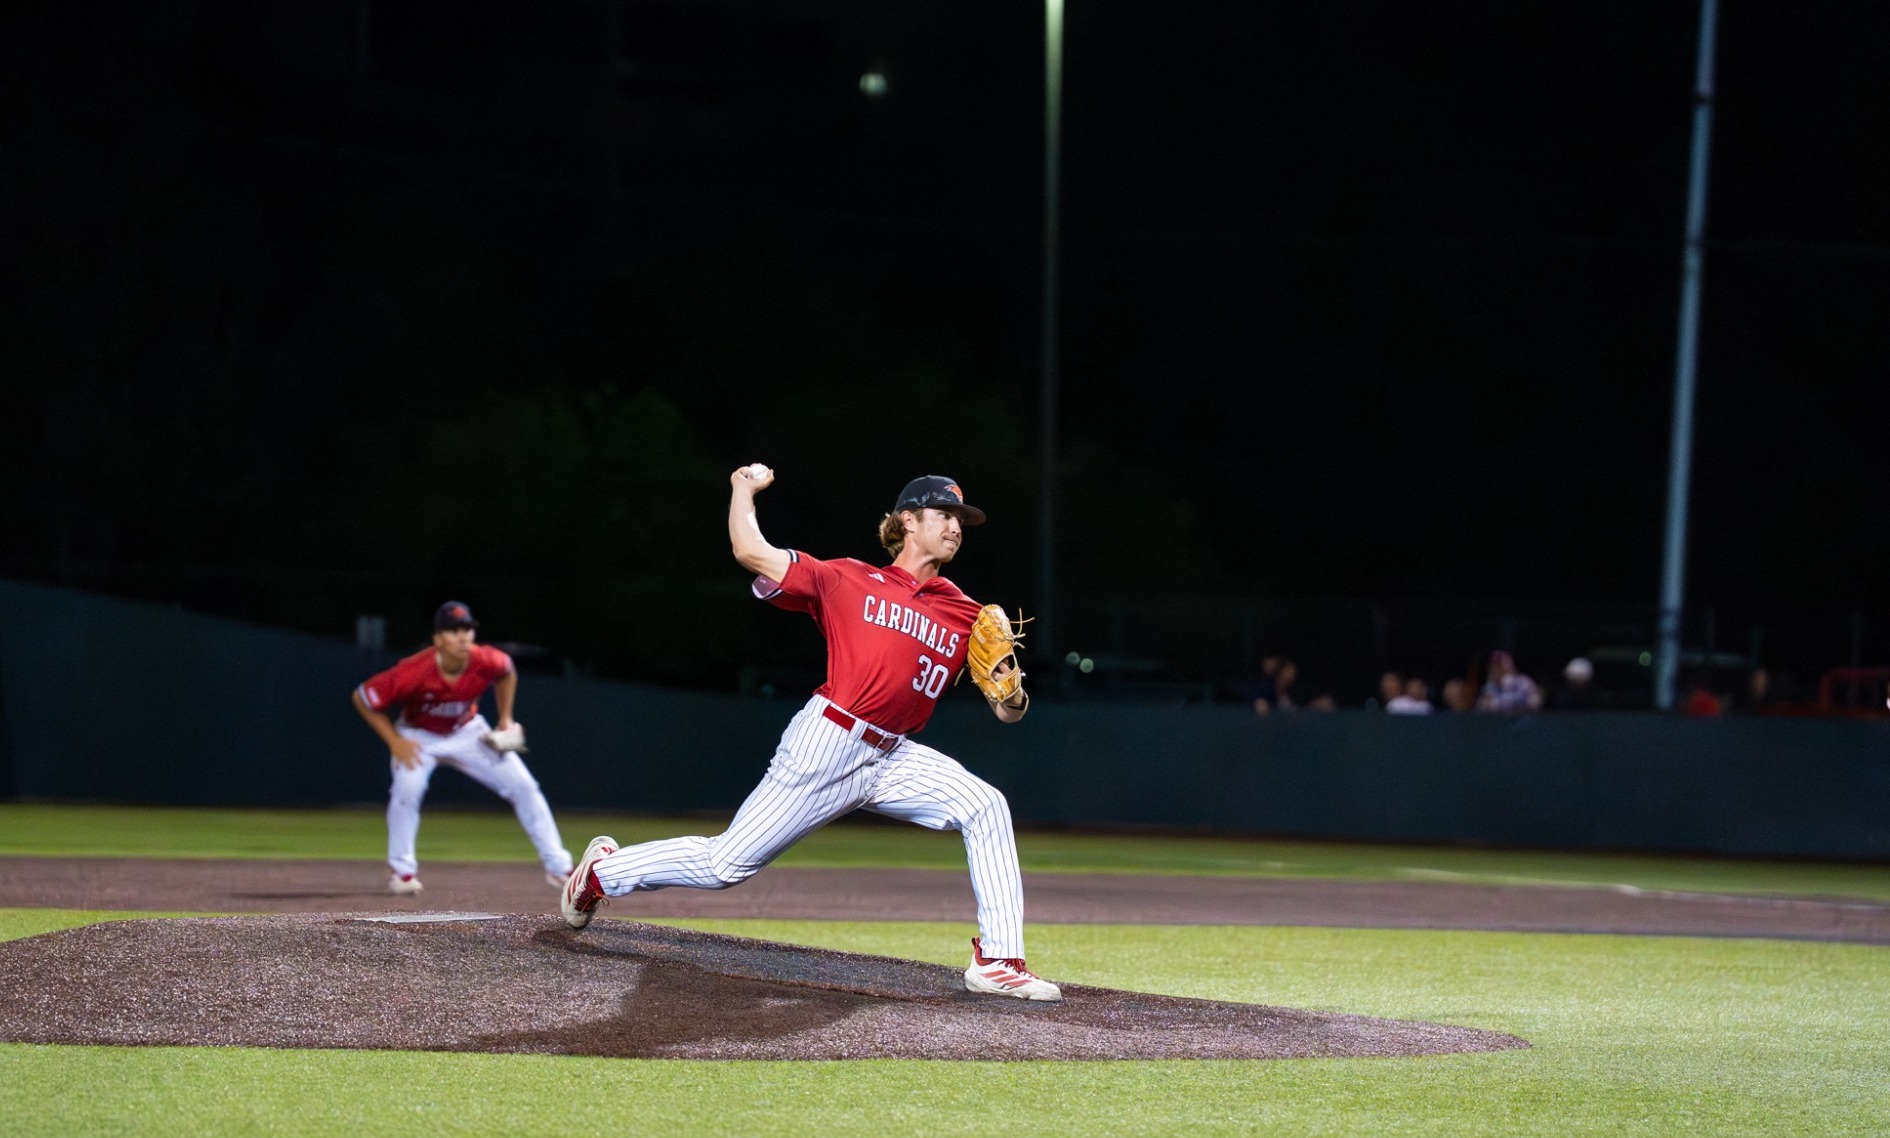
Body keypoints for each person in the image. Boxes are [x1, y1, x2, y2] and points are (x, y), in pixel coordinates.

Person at [559, 467, 1061, 1002]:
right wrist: (742, 490)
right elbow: (750, 550)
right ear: (908, 521)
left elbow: (1009, 713)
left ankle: (1000, 961)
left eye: (961, 519)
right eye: (944, 514)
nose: (957, 526)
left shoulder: (966, 612)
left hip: (895, 756)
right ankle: (602, 875)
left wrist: (1010, 692)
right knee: (725, 864)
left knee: (985, 805)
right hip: (828, 743)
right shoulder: (846, 579)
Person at [353, 601, 574, 895]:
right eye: (453, 630)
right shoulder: (413, 671)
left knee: (524, 786)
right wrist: (395, 741)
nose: (462, 636)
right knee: (407, 791)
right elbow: (363, 698)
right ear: (437, 639)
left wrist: (506, 719)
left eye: (467, 629)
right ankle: (402, 871)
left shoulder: (485, 659)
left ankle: (559, 868)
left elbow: (507, 672)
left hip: (468, 731)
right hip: (420, 736)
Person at [1476, 649, 1542, 714]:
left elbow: (1535, 702)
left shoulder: (1523, 682)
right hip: (1499, 722)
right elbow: (1483, 708)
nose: (1497, 667)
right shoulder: (1490, 687)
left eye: (1501, 664)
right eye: (1495, 664)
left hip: (1523, 721)